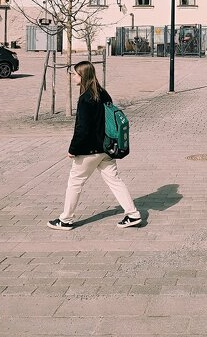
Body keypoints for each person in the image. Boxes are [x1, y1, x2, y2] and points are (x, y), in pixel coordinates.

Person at [47, 60, 141, 231]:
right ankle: (133, 214)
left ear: (82, 76)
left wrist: (72, 150)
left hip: (89, 151)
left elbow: (82, 129)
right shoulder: (103, 93)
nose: (73, 77)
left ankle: (66, 219)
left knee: (75, 182)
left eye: (75, 74)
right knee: (115, 181)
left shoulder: (85, 99)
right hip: (106, 148)